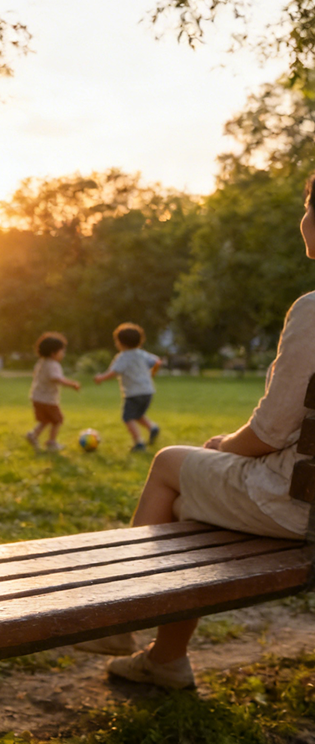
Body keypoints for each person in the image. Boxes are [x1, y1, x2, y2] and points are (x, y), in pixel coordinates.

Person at [103, 175, 315, 689]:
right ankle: (166, 656)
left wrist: (224, 446)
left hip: (300, 507)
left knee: (171, 466)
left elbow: (270, 431)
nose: (303, 218)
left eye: (308, 205)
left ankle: (116, 623)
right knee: (196, 493)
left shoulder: (313, 310)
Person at [95, 323, 162, 452]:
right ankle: (152, 427)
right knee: (138, 415)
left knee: (128, 417)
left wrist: (100, 378)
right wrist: (153, 373)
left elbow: (114, 372)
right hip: (148, 391)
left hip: (133, 393)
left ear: (120, 343)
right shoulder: (142, 354)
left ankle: (139, 443)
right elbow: (157, 361)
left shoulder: (123, 357)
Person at [26, 332, 81, 452]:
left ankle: (33, 435)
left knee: (45, 420)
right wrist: (72, 384)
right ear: (53, 353)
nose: (64, 354)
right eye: (62, 351)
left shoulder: (41, 363)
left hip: (37, 397)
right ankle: (51, 443)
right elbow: (56, 378)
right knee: (57, 420)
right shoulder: (53, 364)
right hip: (47, 400)